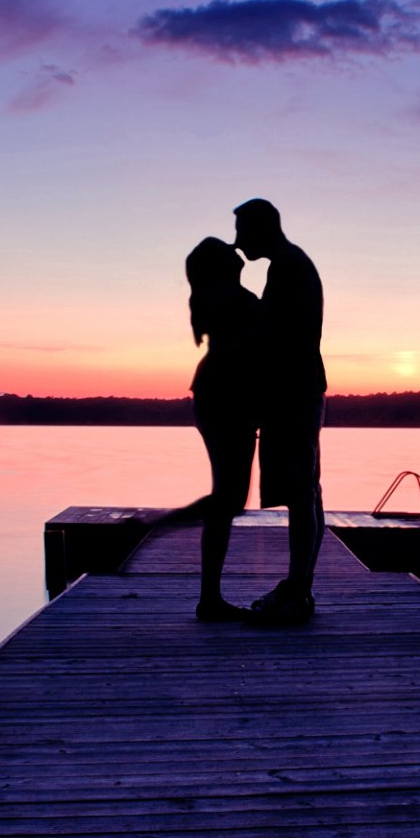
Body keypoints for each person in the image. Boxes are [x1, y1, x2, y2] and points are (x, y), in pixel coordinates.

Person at [233, 197, 325, 625]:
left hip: (293, 394)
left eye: (241, 232)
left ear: (260, 228)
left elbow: (279, 340)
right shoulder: (289, 264)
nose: (236, 244)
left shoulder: (288, 266)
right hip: (296, 391)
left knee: (301, 492)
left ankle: (297, 593)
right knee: (305, 490)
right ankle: (298, 587)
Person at [178, 236, 260, 621]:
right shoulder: (230, 298)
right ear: (221, 264)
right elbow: (247, 347)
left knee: (228, 500)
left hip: (217, 397)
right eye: (227, 248)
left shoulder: (215, 297)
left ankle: (209, 597)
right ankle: (157, 524)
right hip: (226, 400)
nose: (235, 246)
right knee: (228, 499)